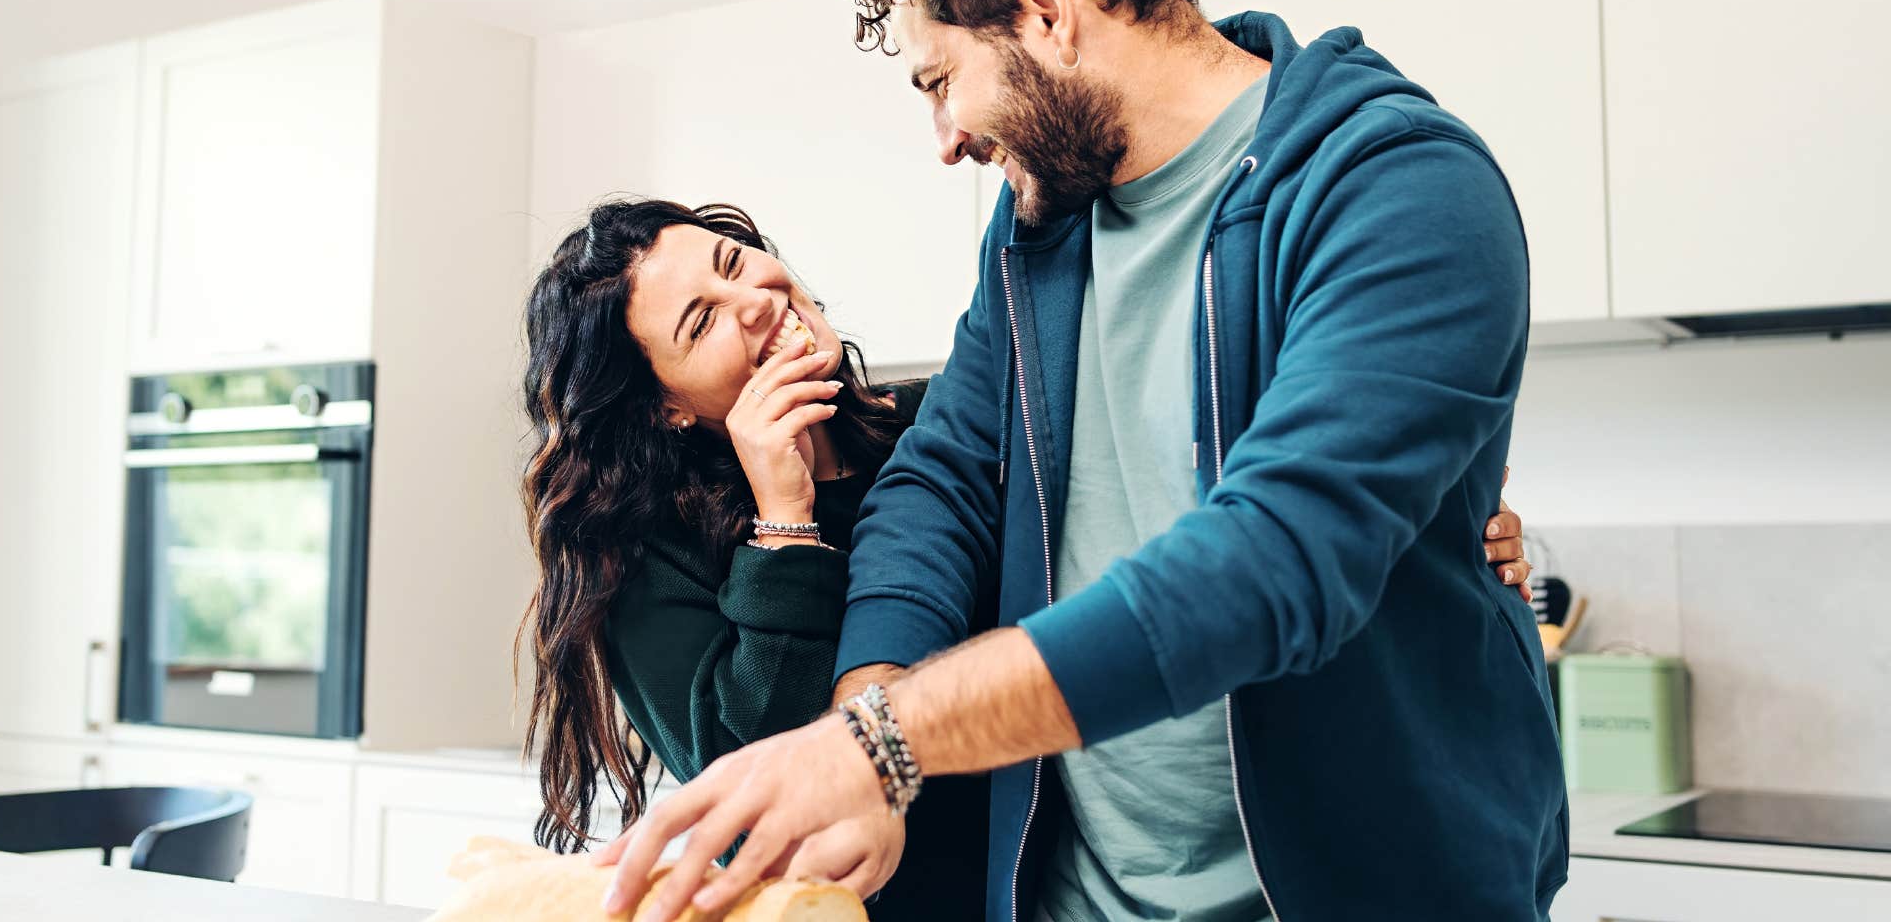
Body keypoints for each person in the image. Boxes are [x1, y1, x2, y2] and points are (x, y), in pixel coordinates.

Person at [596, 0, 1567, 921]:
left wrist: (885, 745)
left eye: (940, 80)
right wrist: (864, 724)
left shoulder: (1398, 189)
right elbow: (944, 482)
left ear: (1047, 14)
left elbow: (1274, 562)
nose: (947, 138)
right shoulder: (1038, 230)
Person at [518, 197, 1536, 919]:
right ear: (665, 404)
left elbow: (1159, 532)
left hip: (1049, 889)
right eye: (702, 321)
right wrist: (785, 515)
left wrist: (1421, 531)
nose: (756, 301)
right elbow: (765, 787)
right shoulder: (636, 561)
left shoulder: (937, 434)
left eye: (737, 264)